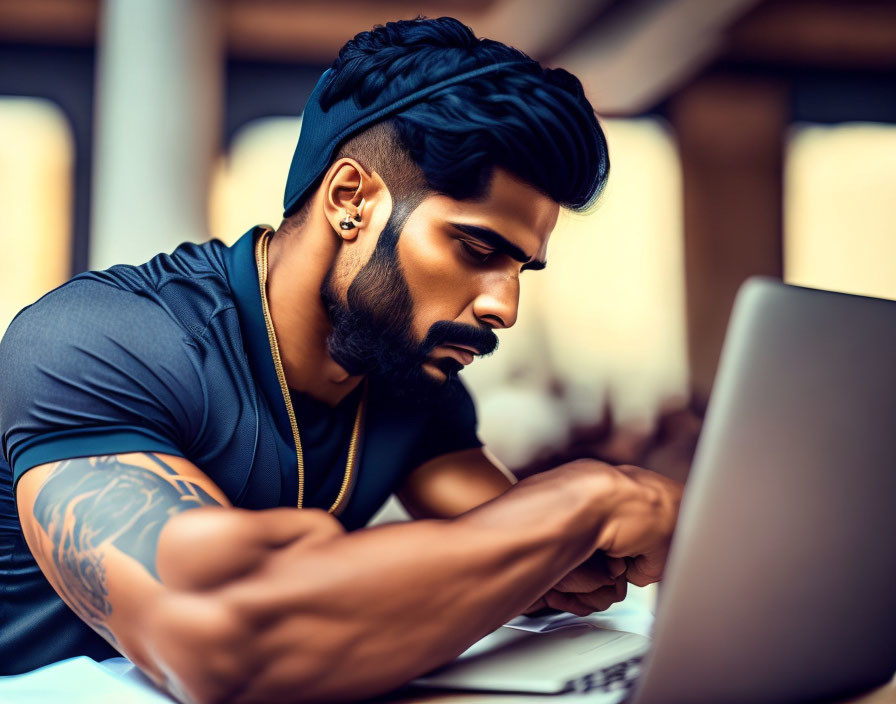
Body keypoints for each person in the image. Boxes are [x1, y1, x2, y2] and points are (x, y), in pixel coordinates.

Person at [0, 17, 682, 703]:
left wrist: (639, 532)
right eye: (477, 251)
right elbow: (224, 645)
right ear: (352, 201)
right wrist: (587, 498)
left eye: (520, 269)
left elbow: (528, 558)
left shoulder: (406, 372)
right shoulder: (101, 342)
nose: (503, 306)